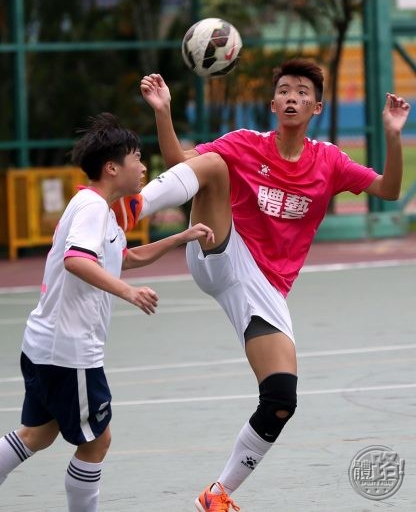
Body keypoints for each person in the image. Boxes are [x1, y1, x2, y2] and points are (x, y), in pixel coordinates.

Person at [125, 58, 411, 512]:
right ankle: (130, 209)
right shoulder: (245, 144)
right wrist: (163, 111)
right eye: (284, 90)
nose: (292, 96)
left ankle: (217, 495)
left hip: (264, 288)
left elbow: (390, 190)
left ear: (317, 106)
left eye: (302, 91)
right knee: (215, 166)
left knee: (280, 398)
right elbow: (182, 163)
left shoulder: (329, 161)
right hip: (220, 247)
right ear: (272, 102)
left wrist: (394, 135)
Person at [0, 112, 214, 512]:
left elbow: (123, 258)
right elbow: (76, 261)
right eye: (136, 157)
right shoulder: (93, 208)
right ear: (113, 167)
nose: (144, 165)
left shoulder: (98, 208)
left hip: (46, 346)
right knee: (97, 441)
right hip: (70, 352)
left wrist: (182, 236)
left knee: (37, 435)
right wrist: (128, 293)